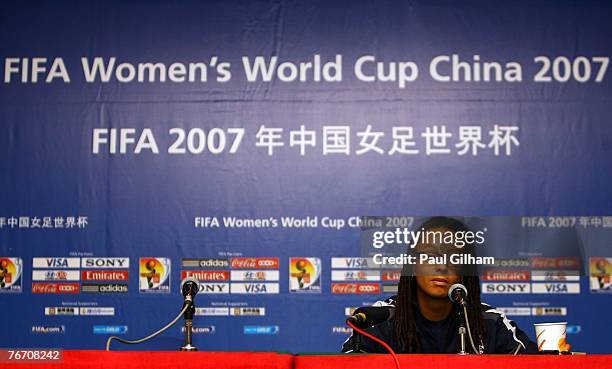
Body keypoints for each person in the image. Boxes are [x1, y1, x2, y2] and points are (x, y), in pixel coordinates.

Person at [342, 217, 538, 354]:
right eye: (430, 255)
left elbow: (533, 362)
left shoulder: (489, 321)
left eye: (453, 257)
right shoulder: (382, 320)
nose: (442, 266)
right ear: (413, 264)